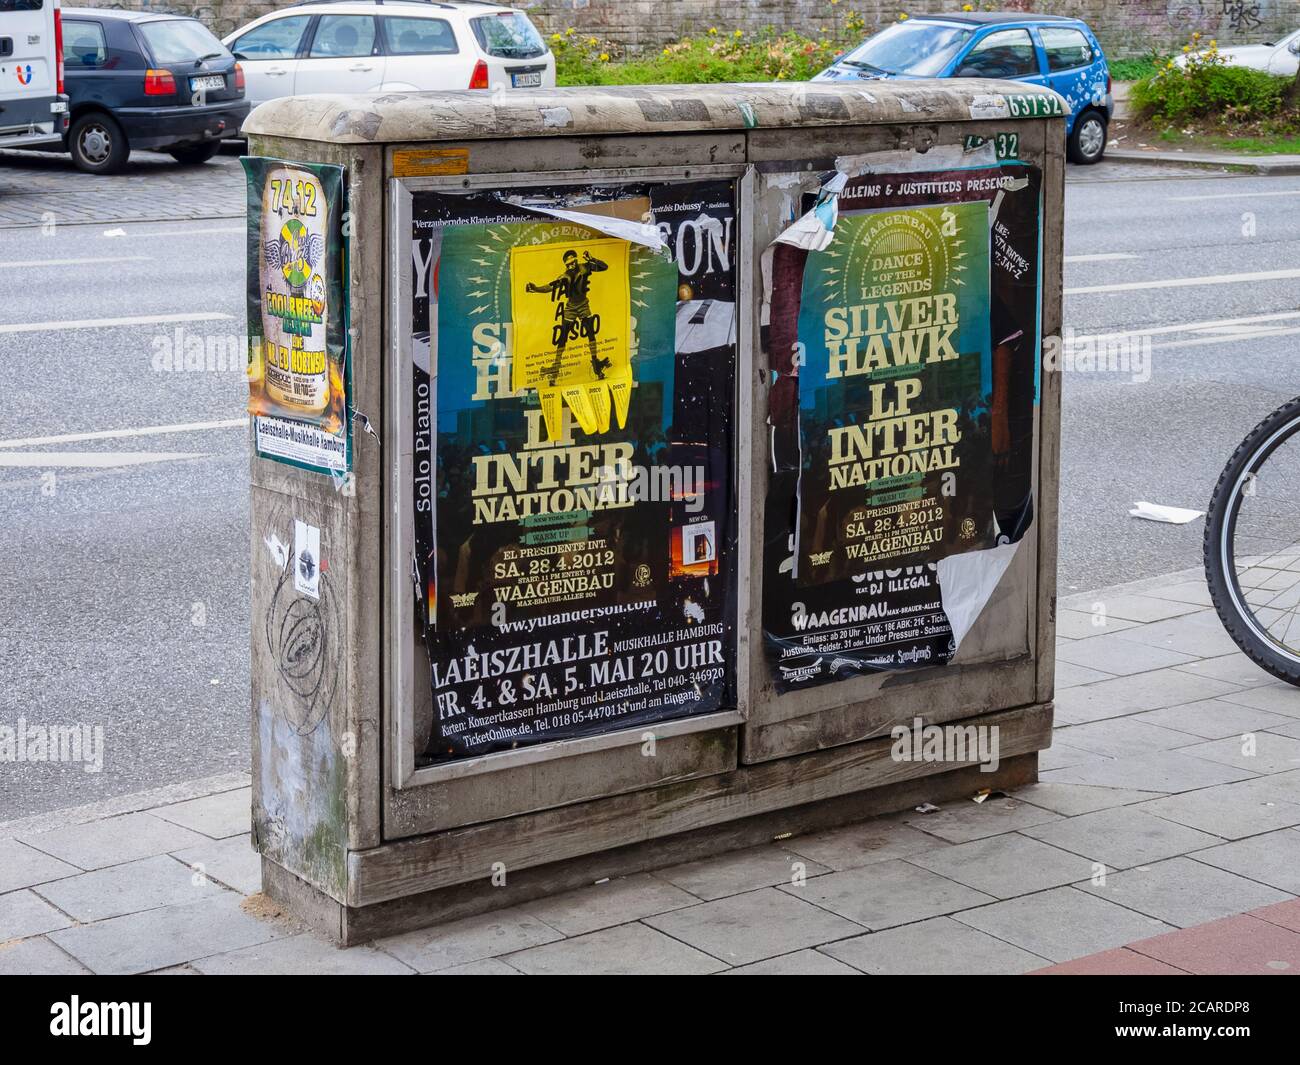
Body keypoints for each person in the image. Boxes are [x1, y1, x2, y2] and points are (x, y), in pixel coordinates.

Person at [525, 249, 610, 382]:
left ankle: (596, 364)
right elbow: (550, 287)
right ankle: (555, 369)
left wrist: (592, 259)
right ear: (565, 264)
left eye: (573, 261)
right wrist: (536, 289)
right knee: (563, 337)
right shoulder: (564, 277)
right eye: (568, 263)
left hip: (583, 306)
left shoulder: (585, 267)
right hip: (571, 308)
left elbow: (604, 267)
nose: (571, 264)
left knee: (591, 333)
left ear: (576, 260)